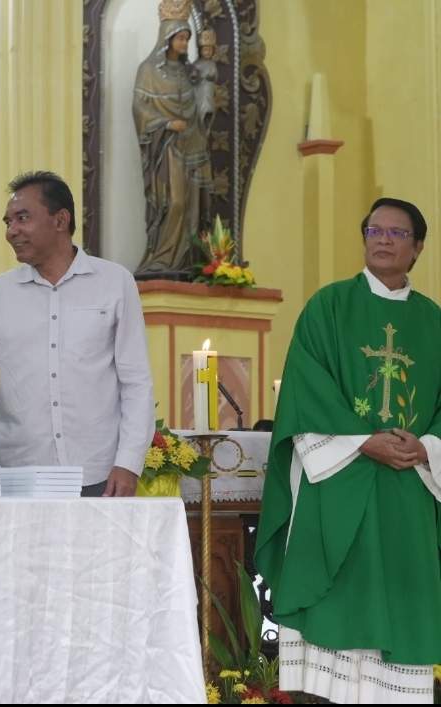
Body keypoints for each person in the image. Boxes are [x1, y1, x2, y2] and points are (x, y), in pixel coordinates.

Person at [255, 197, 441, 703]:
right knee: (337, 608)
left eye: (397, 233)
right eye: (374, 230)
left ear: (418, 247)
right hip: (338, 482)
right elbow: (306, 390)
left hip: (409, 489)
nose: (383, 240)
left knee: (402, 603)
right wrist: (365, 442)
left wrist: (426, 447)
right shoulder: (328, 307)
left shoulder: (434, 320)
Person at [0, 171, 154, 498]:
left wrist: (129, 463)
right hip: (21, 473)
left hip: (99, 471)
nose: (11, 231)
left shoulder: (114, 283)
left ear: (60, 220)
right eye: (8, 222)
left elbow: (136, 380)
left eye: (22, 218)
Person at [132, 1, 212, 277]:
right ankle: (163, 258)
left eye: (187, 38)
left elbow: (199, 104)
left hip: (192, 145)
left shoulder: (189, 73)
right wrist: (166, 124)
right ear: (167, 37)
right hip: (165, 147)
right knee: (174, 202)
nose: (184, 43)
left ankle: (186, 260)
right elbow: (139, 108)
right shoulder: (148, 71)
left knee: (191, 205)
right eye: (180, 37)